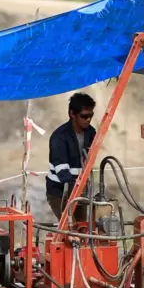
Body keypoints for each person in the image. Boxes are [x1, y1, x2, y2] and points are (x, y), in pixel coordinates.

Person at [46, 92, 96, 220]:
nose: (88, 119)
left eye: (91, 115)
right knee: (69, 230)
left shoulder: (91, 132)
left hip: (79, 192)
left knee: (83, 230)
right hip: (59, 192)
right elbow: (61, 168)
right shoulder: (59, 137)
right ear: (72, 114)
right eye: (84, 116)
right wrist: (75, 188)